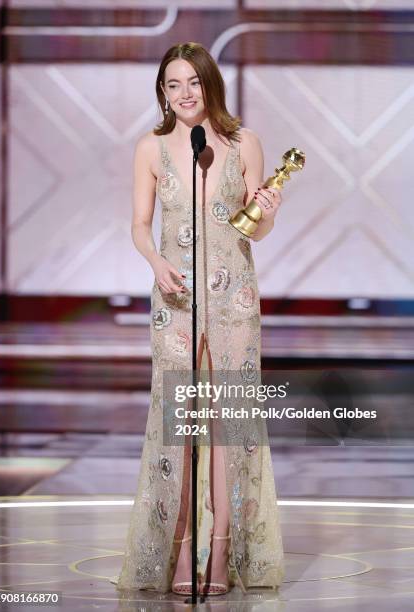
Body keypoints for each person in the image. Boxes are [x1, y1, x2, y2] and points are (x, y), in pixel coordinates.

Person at [111, 42, 285, 597]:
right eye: (172, 85)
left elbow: (250, 229)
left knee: (229, 426)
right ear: (163, 93)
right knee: (181, 426)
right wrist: (155, 261)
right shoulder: (153, 148)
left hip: (233, 298)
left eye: (193, 82)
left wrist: (267, 214)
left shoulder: (243, 144)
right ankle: (182, 548)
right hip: (176, 301)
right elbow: (140, 224)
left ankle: (224, 549)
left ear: (211, 83)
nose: (184, 94)